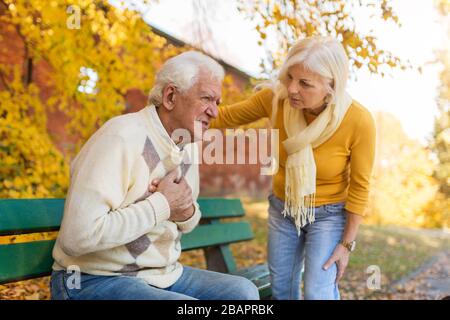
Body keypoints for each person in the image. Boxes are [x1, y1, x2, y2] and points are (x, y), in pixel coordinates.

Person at [50, 51, 260, 300]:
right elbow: (76, 237)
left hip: (163, 275)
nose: (215, 112)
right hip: (90, 278)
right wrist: (161, 205)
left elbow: (188, 218)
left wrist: (185, 211)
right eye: (206, 98)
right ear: (171, 96)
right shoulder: (120, 137)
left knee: (243, 293)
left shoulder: (187, 145)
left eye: (218, 102)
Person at [206, 37, 376, 300]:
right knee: (282, 290)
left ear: (331, 86)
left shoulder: (358, 121)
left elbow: (360, 187)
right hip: (283, 208)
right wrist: (172, 118)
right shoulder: (276, 99)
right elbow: (224, 117)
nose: (292, 89)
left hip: (329, 215)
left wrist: (346, 245)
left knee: (318, 291)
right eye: (290, 77)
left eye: (305, 83)